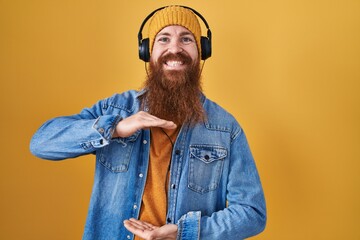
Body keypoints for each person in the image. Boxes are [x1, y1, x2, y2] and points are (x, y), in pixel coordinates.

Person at [30, 5, 266, 240]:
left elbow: (252, 213)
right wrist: (115, 129)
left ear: (202, 50)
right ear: (147, 51)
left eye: (186, 39)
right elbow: (41, 143)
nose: (175, 48)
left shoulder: (225, 128)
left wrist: (185, 232)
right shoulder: (116, 109)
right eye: (163, 39)